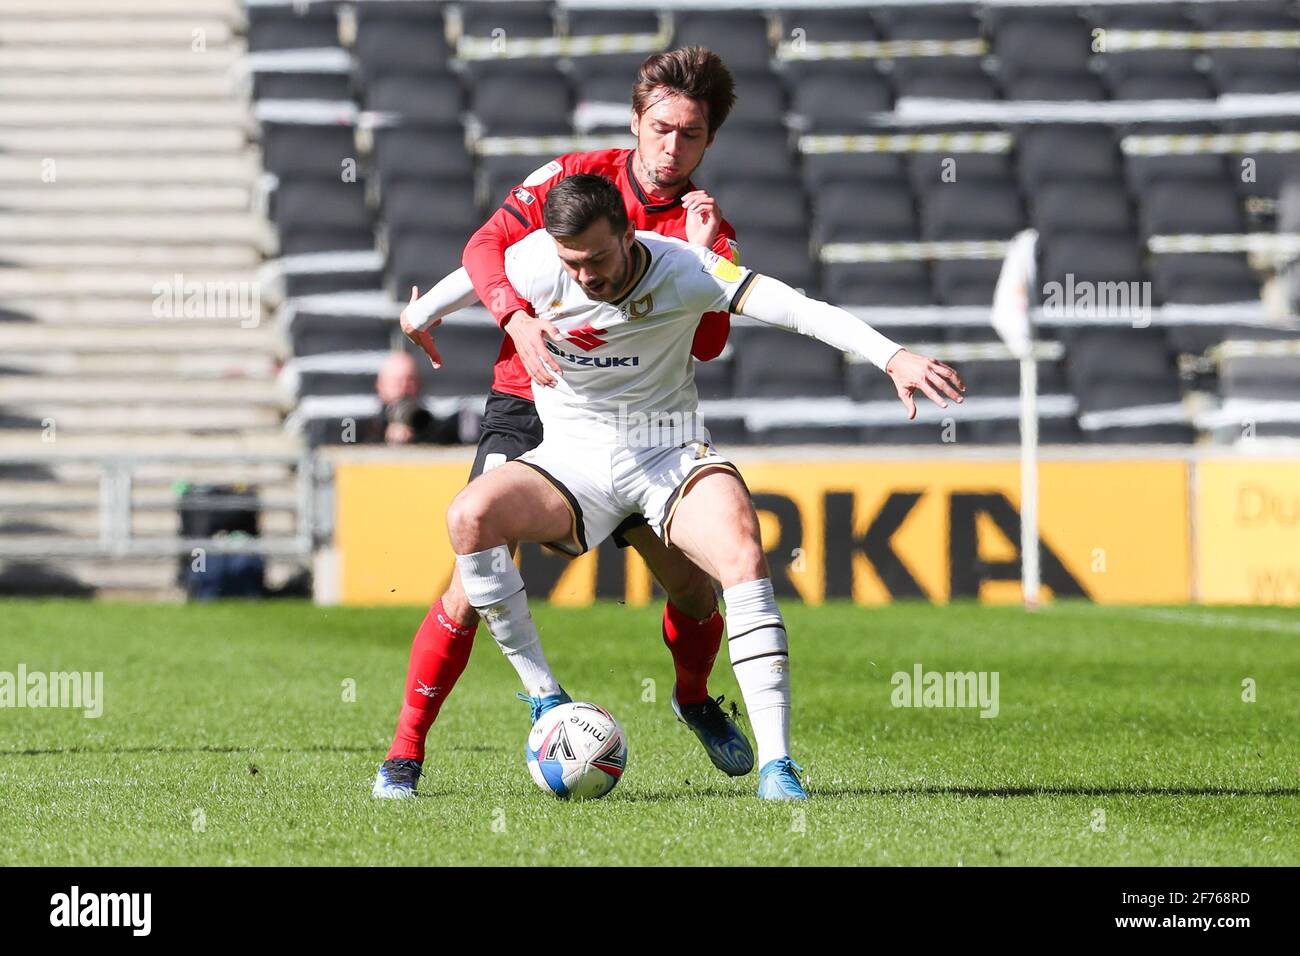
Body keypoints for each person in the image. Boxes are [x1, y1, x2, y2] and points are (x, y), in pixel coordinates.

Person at [442, 173, 965, 800]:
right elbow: (475, 267)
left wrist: (892, 356)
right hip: (572, 460)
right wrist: (420, 315)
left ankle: (778, 769)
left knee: (742, 555)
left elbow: (798, 309)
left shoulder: (687, 268)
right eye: (571, 262)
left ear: (630, 234)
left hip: (667, 451)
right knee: (469, 516)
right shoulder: (539, 261)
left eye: (598, 258)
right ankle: (545, 698)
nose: (585, 276)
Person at [375, 48, 756, 799]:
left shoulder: (711, 227)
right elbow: (486, 248)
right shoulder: (575, 176)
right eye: (661, 128)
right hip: (531, 398)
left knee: (693, 589)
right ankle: (406, 753)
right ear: (637, 122)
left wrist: (708, 263)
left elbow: (709, 346)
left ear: (708, 142)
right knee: (471, 572)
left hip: (640, 427)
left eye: (690, 135)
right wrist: (511, 320)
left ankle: (691, 699)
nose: (671, 148)